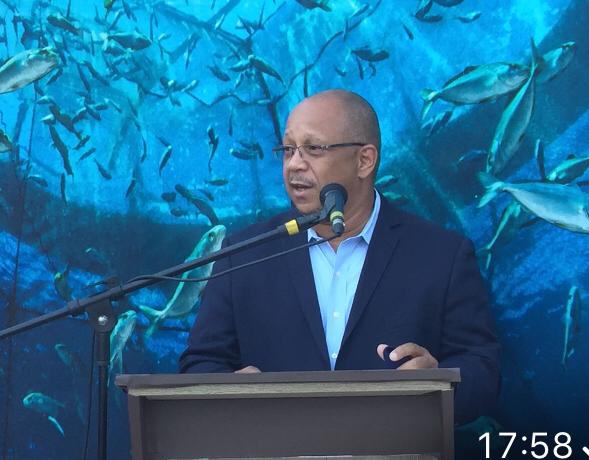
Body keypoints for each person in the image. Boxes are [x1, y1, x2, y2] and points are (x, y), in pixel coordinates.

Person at [179, 89, 501, 424]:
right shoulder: (244, 253)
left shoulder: (441, 254)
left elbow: (483, 369)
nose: (294, 165)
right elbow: (199, 363)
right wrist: (229, 390)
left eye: (313, 149)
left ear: (364, 160)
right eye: (288, 150)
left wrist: (441, 385)